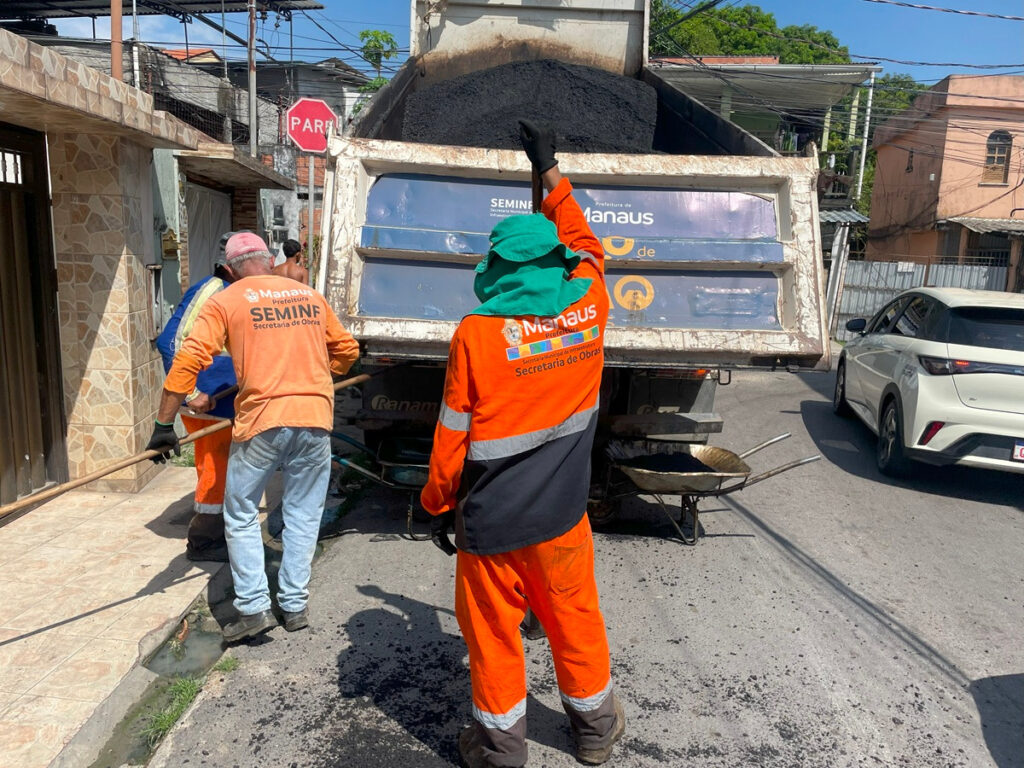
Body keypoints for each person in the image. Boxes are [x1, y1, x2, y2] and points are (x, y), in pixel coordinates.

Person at [421, 120, 624, 768]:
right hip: (562, 519)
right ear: (556, 262)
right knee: (573, 619)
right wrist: (550, 170)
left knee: (493, 637)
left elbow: (452, 435)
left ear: (498, 270)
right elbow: (587, 244)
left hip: (493, 525)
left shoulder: (476, 335)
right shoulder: (590, 303)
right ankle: (594, 732)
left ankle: (501, 751)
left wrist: (435, 502)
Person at [146, 232, 359, 643]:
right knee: (303, 514)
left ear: (230, 269)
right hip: (314, 418)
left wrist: (162, 427)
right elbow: (347, 351)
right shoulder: (310, 297)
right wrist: (316, 377)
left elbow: (188, 360)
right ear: (269, 259)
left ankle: (254, 607)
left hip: (262, 421)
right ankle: (294, 606)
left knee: (241, 511)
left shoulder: (226, 300)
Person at [154, 233, 242, 563]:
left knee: (225, 469)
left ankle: (222, 531)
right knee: (215, 469)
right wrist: (191, 393)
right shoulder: (212, 290)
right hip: (208, 402)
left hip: (226, 400)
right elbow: (171, 342)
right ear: (230, 266)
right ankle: (204, 540)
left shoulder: (235, 292)